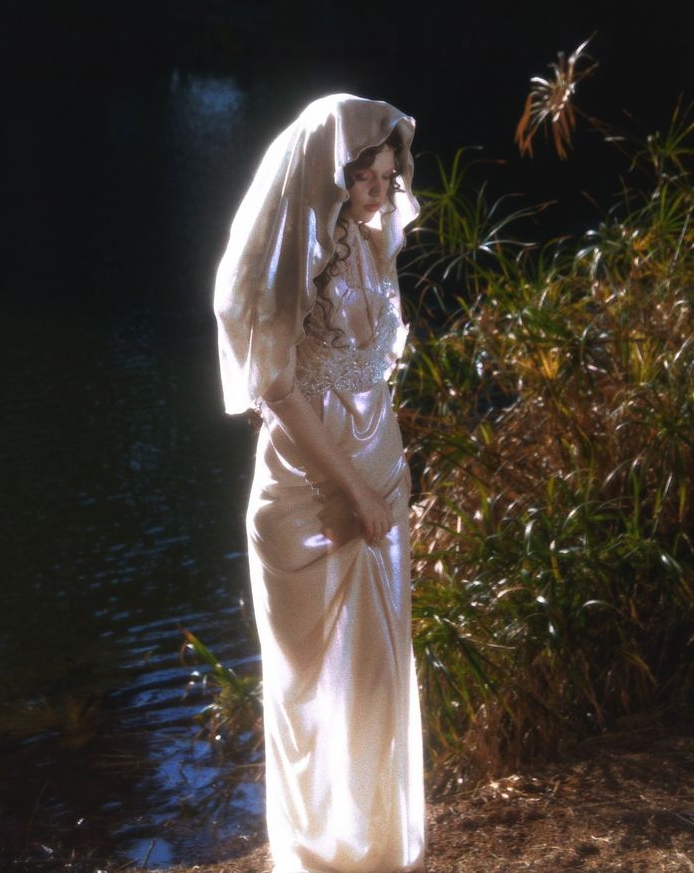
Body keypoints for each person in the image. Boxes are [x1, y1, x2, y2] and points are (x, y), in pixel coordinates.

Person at [214, 93, 425, 873]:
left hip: (380, 467)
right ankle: (317, 854)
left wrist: (385, 481)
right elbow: (276, 388)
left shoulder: (375, 241)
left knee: (376, 675)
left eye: (385, 173)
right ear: (328, 175)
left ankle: (374, 850)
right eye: (364, 176)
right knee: (313, 687)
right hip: (311, 487)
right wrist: (354, 492)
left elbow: (374, 369)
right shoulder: (287, 254)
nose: (379, 189)